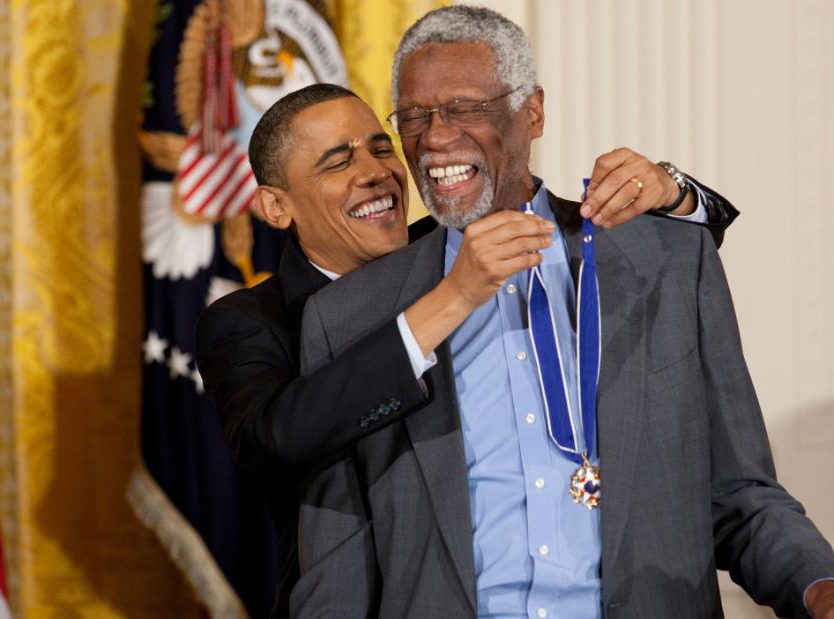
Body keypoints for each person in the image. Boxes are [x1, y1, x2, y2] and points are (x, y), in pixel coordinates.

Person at [294, 6, 834, 619]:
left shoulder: (664, 259)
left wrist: (822, 588)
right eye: (414, 117)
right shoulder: (356, 314)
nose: (433, 137)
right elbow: (338, 565)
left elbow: (740, 493)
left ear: (532, 110)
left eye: (464, 108)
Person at [195, 85, 738, 616]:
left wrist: (673, 190)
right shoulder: (249, 322)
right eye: (338, 162)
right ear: (275, 205)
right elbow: (276, 438)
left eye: (381, 147)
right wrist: (452, 298)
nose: (375, 171)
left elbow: (618, 236)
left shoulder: (454, 241)